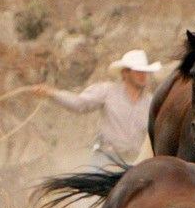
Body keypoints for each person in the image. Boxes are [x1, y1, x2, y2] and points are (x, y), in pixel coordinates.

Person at [28, 49, 162, 166]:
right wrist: (52, 93)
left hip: (134, 161)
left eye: (145, 72)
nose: (143, 75)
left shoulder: (151, 102)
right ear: (125, 73)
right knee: (93, 194)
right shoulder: (107, 91)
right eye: (138, 71)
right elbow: (80, 103)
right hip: (107, 158)